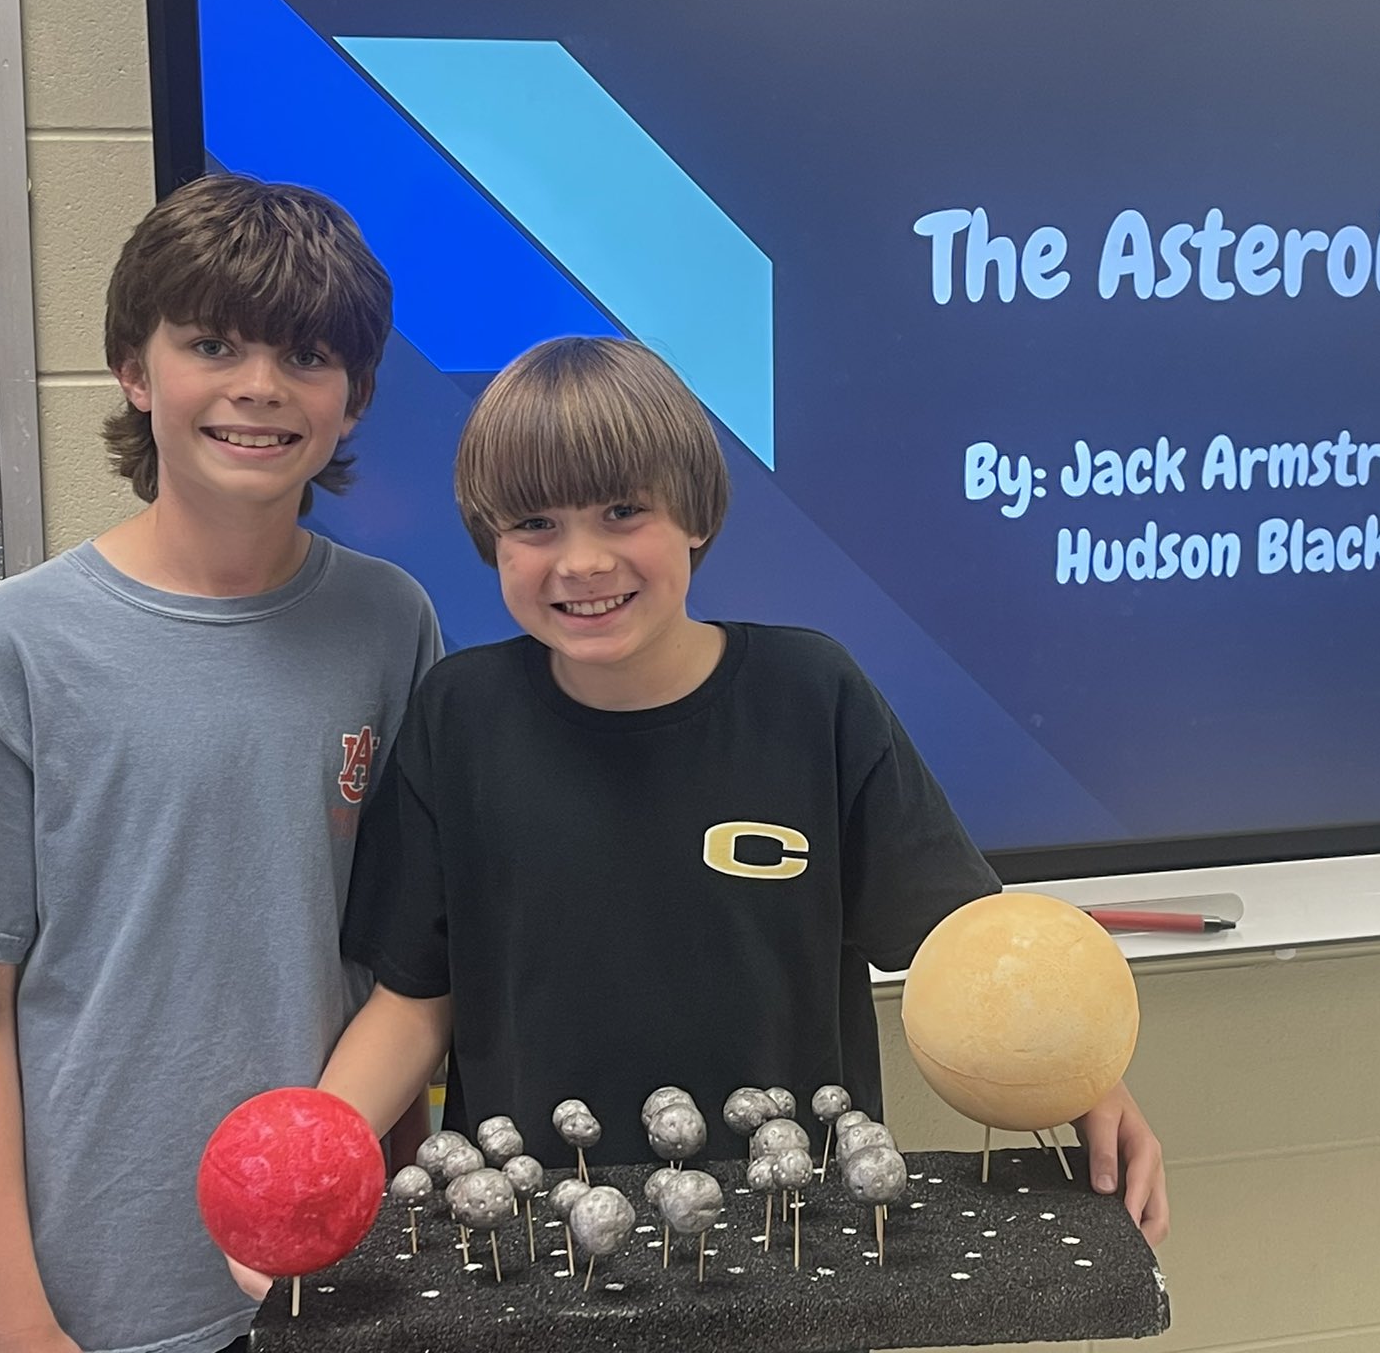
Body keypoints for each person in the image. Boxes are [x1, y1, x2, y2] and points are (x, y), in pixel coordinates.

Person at [309, 335, 1168, 1280]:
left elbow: (970, 958)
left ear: (694, 515)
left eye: (623, 511)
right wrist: (313, 1168)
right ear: (491, 540)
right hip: (535, 1256)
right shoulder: (460, 716)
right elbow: (412, 1002)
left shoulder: (813, 697)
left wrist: (1086, 1084)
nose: (582, 561)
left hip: (795, 1245)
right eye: (535, 524)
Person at [0, 175, 442, 1353]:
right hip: (91, 1292)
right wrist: (16, 1313)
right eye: (212, 344)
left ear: (355, 397)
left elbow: (413, 967)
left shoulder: (391, 625)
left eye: (306, 355)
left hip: (326, 1278)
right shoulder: (21, 643)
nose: (258, 386)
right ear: (134, 367)